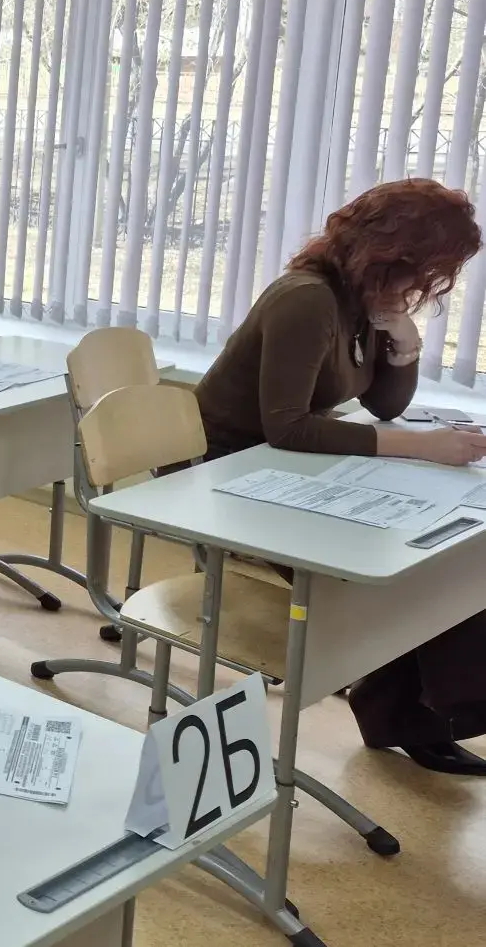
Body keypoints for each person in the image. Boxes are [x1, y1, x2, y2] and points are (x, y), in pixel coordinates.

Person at [189, 179, 486, 776]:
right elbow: (288, 427)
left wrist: (403, 342)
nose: (428, 285)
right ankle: (406, 711)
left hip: (293, 465)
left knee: (444, 557)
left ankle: (408, 715)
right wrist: (424, 449)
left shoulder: (360, 299)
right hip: (224, 473)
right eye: (428, 269)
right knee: (396, 571)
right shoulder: (306, 299)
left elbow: (383, 406)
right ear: (393, 253)